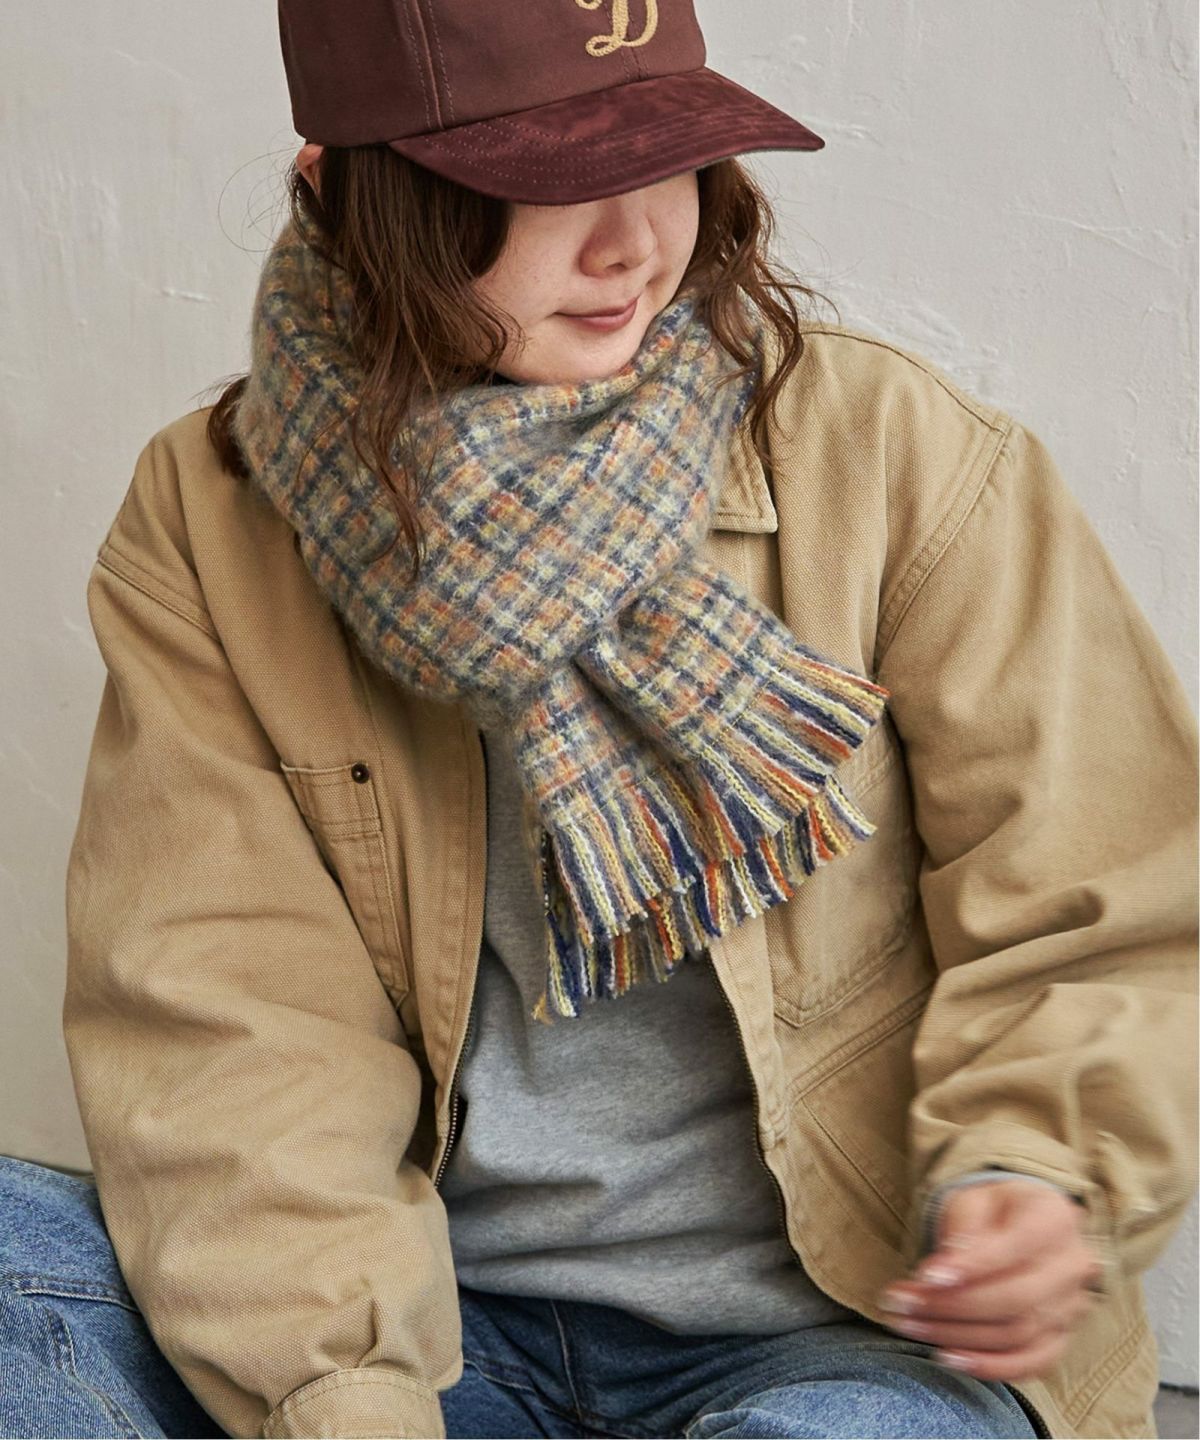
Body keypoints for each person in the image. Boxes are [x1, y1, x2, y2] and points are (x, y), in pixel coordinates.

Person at [2, 2, 1195, 1437]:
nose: (633, 243)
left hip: (846, 1340)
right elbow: (232, 1024)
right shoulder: (215, 522)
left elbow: (1104, 899)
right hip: (446, 1330)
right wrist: (349, 1401)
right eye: (545, 181)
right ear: (347, 191)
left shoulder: (894, 456)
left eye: (667, 157)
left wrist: (1035, 1174)